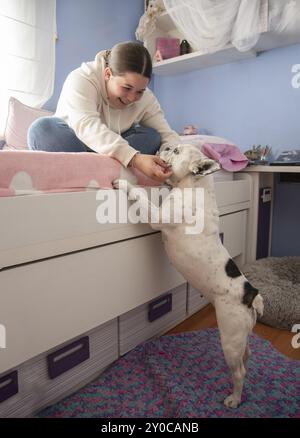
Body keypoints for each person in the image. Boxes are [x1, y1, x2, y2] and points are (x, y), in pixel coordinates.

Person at [28, 41, 181, 182]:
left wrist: (185, 158)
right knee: (41, 130)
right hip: (74, 142)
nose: (132, 98)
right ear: (108, 74)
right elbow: (86, 126)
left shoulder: (145, 98)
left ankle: (92, 169)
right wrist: (135, 159)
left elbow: (165, 133)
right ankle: (107, 167)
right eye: (126, 88)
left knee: (153, 137)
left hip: (113, 147)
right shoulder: (82, 78)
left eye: (140, 91)